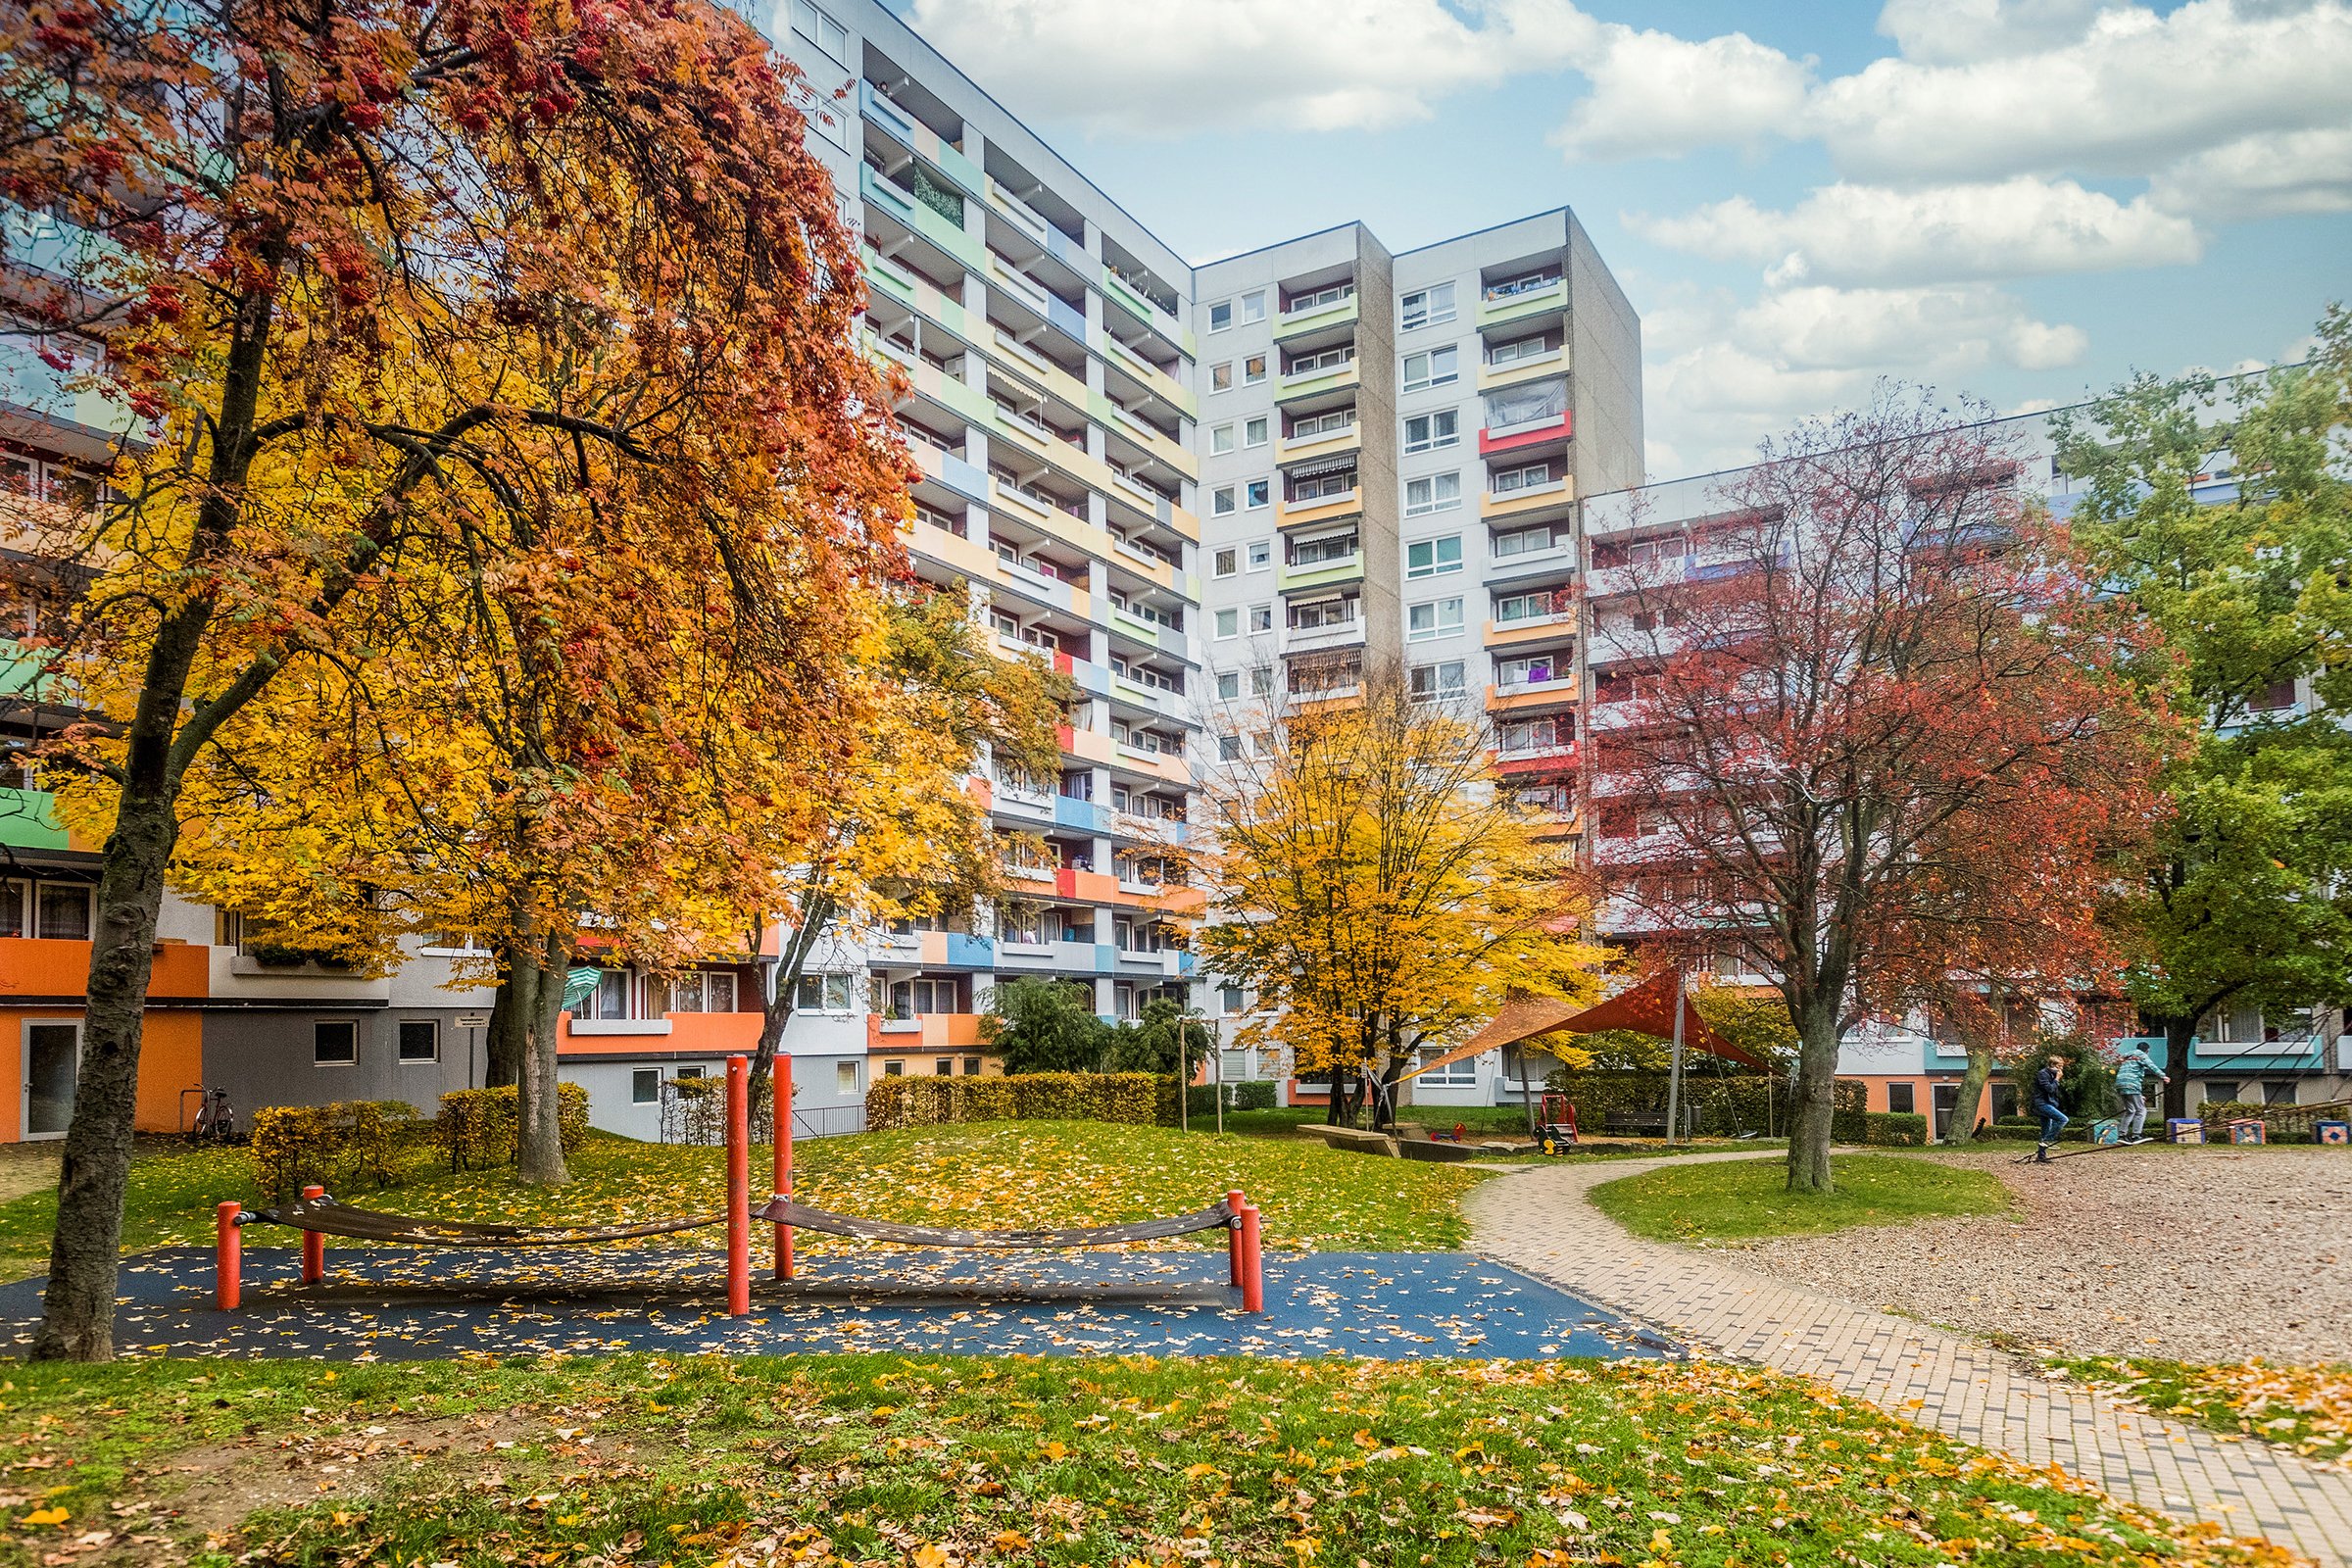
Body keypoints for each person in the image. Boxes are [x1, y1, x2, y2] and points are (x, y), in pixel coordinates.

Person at [2112, 1042, 2168, 1145]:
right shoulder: (2141, 1055)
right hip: (2132, 1084)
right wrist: (2163, 1076)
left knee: (2130, 1110)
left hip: (2120, 1084)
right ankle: (2136, 1135)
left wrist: (2140, 1095)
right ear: (2147, 1050)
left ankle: (2122, 1135)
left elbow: (2128, 1071)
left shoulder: (2127, 1057)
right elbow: (2151, 1066)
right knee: (2141, 1111)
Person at [2030, 1054, 2071, 1162]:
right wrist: (2057, 1079)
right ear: (2052, 1064)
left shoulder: (2052, 1075)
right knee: (2063, 1119)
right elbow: (2050, 1089)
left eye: (2062, 1066)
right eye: (2059, 1066)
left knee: (2045, 1129)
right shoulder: (2043, 1074)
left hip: (2049, 1103)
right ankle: (2047, 1140)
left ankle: (2041, 1156)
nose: (2061, 1069)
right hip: (2041, 1104)